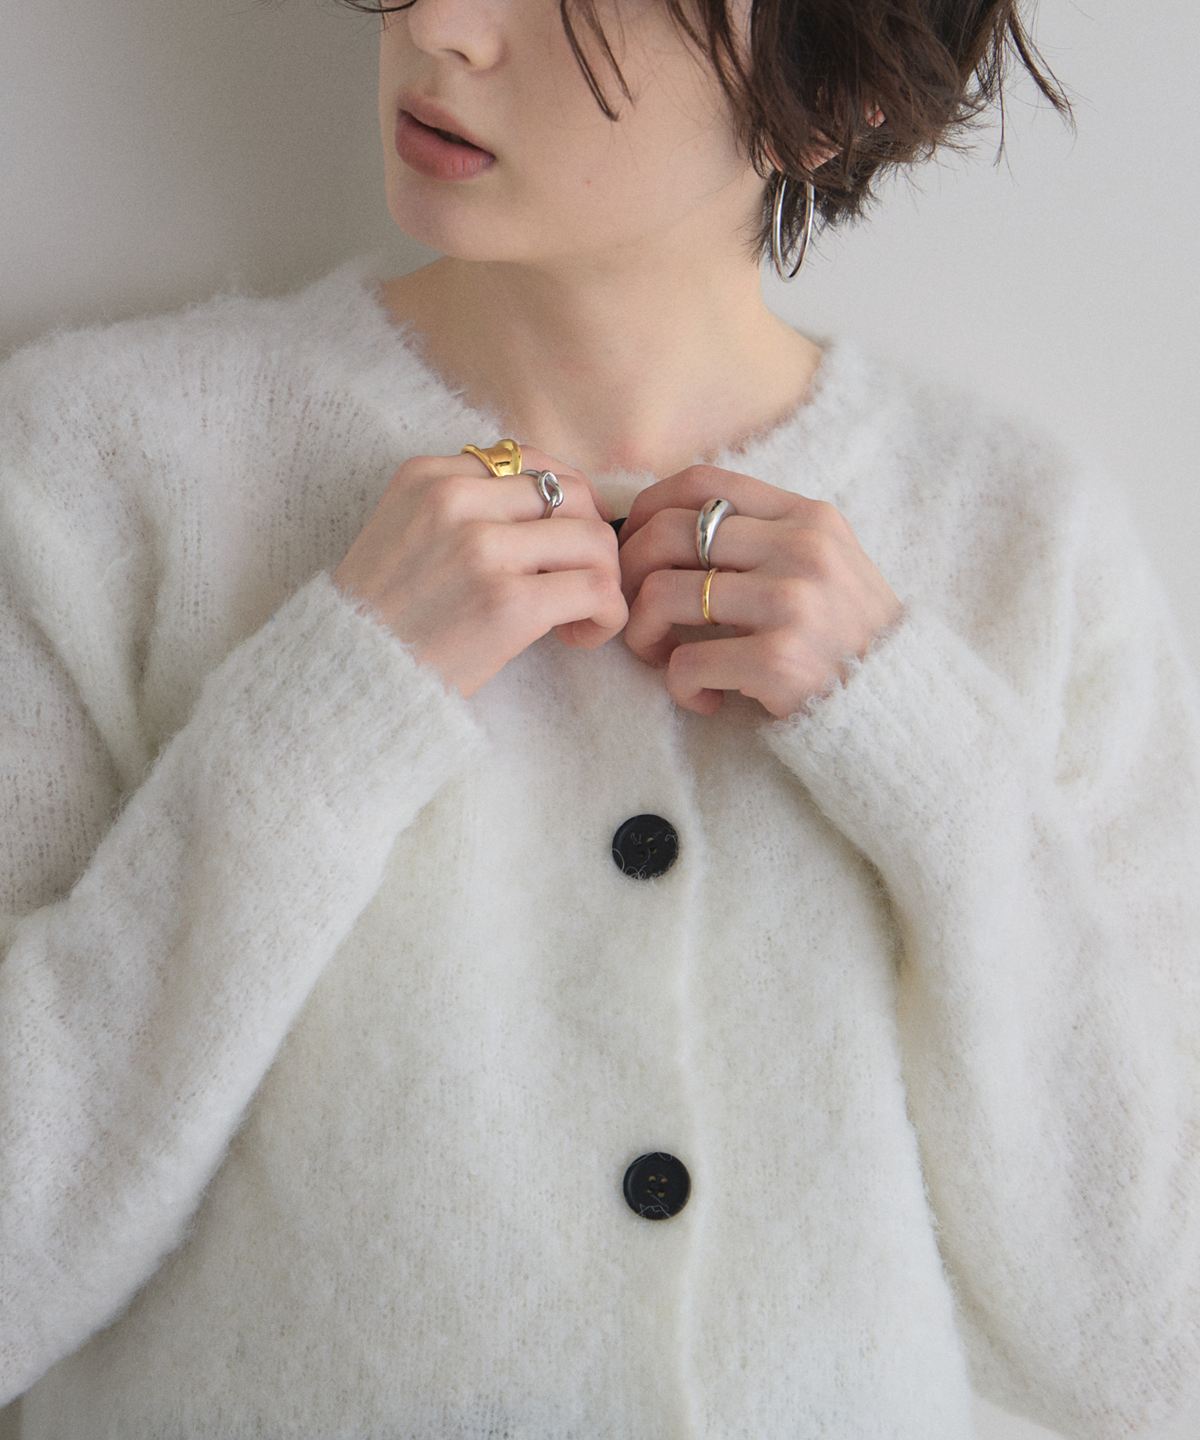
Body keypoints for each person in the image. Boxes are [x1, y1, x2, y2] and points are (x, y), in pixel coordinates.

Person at [2, 2, 1198, 1437]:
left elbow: (1156, 1348)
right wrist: (328, 709)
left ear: (831, 92)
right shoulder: (96, 475)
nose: (441, 22)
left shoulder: (1025, 547)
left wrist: (922, 749)